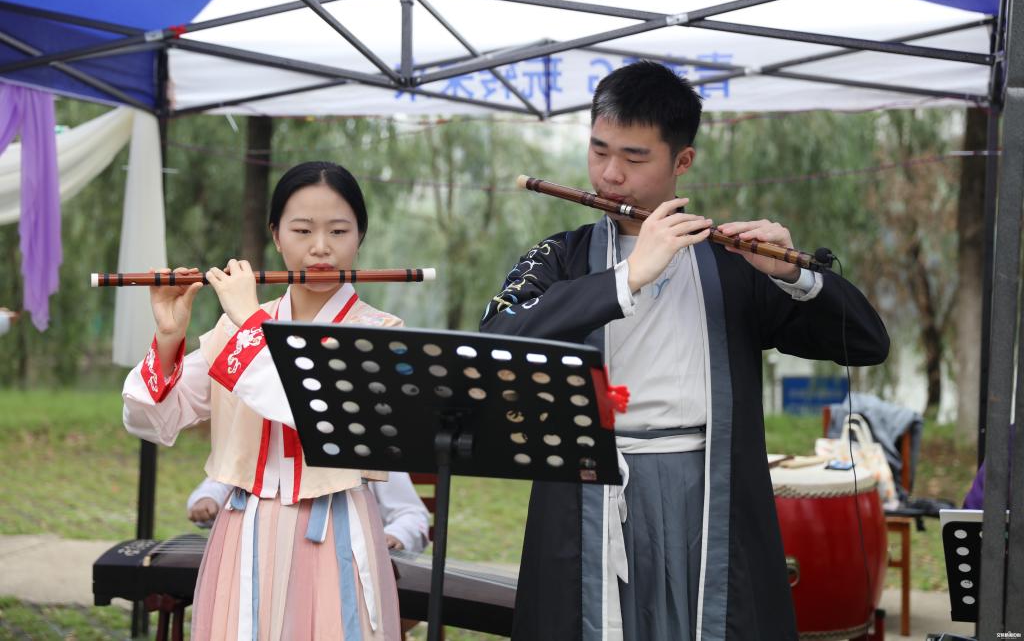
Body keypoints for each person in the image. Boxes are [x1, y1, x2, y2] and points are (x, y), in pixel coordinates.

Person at [480, 61, 890, 640]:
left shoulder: (732, 261)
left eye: (634, 157)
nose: (610, 174)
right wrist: (625, 278)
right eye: (598, 151)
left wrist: (792, 276)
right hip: (589, 491)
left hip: (707, 489)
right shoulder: (560, 257)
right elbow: (494, 344)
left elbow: (867, 343)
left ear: (683, 161)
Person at [122, 161, 403, 641]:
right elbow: (153, 420)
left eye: (338, 230)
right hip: (244, 529)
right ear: (276, 236)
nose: (320, 247)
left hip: (336, 529)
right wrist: (169, 337)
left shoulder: (378, 335)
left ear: (360, 237)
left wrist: (251, 322)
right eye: (301, 230)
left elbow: (310, 413)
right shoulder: (236, 328)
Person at [187, 473, 431, 554]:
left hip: (348, 563)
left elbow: (412, 514)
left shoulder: (366, 444)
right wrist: (208, 498)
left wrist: (395, 535)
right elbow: (226, 477)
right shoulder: (266, 431)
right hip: (265, 558)